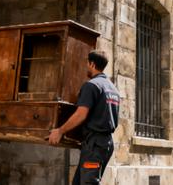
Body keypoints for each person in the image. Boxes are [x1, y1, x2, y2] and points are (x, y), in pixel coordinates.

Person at [48, 50, 121, 185]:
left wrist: (60, 131)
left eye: (86, 63)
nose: (85, 67)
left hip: (94, 144)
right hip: (105, 144)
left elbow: (81, 114)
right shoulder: (113, 89)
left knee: (88, 183)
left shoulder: (91, 85)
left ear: (92, 64)